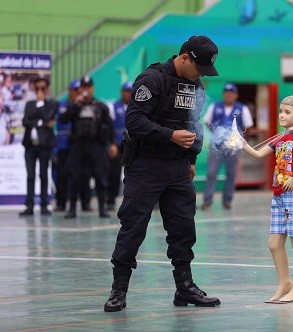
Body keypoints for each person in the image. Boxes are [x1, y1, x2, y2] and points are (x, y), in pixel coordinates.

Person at [104, 35, 221, 312]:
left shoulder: (196, 85)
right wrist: (169, 136)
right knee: (133, 227)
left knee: (183, 228)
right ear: (184, 58)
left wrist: (191, 158)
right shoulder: (153, 79)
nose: (200, 75)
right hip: (146, 165)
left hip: (178, 167)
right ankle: (118, 290)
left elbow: (195, 124)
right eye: (198, 68)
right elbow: (133, 120)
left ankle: (185, 288)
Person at [241, 95, 293, 303]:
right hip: (279, 194)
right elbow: (256, 154)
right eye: (281, 111)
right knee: (274, 243)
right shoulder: (281, 137)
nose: (282, 115)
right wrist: (242, 144)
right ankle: (285, 283)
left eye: (287, 112)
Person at [59, 75, 117, 219]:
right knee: (74, 176)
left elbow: (110, 126)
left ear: (92, 88)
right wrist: (75, 105)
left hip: (96, 145)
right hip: (77, 144)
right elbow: (62, 119)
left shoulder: (100, 106)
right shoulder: (74, 105)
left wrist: (113, 144)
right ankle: (72, 208)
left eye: (88, 87)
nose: (86, 90)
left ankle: (102, 208)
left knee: (100, 176)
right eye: (83, 87)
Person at [201, 83, 254, 210]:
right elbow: (207, 122)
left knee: (231, 174)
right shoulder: (215, 106)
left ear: (236, 95)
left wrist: (240, 141)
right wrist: (217, 134)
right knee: (211, 173)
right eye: (226, 93)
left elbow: (249, 126)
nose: (228, 95)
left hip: (233, 148)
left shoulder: (242, 108)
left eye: (231, 93)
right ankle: (207, 201)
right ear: (223, 94)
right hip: (216, 146)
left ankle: (227, 201)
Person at [19, 77, 58, 216]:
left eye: (42, 88)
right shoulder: (29, 104)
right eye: (37, 89)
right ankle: (29, 206)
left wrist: (41, 105)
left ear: (47, 89)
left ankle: (44, 205)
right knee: (30, 175)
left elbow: (48, 117)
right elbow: (25, 121)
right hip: (30, 145)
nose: (39, 91)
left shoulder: (52, 103)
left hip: (44, 145)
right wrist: (41, 123)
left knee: (43, 175)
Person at [54, 79, 92, 212]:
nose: (77, 92)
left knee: (84, 174)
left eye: (78, 90)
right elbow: (61, 120)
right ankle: (61, 203)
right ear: (69, 90)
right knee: (62, 175)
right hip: (64, 145)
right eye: (74, 90)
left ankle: (85, 203)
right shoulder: (63, 105)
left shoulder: (84, 105)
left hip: (79, 144)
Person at [106, 81, 133, 211]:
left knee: (133, 174)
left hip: (132, 145)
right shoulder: (113, 107)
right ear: (122, 92)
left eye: (131, 91)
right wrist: (111, 144)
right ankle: (110, 200)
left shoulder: (136, 107)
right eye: (127, 91)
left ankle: (132, 200)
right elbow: (109, 127)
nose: (129, 94)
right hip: (117, 145)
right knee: (113, 173)